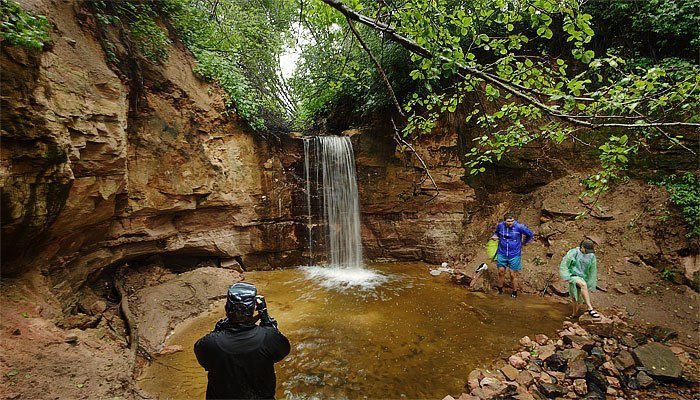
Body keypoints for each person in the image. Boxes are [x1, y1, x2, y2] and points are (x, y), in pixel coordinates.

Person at [194, 282, 290, 399]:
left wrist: (220, 327)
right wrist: (265, 317)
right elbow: (282, 351)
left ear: (226, 309)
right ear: (253, 309)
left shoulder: (211, 343)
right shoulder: (269, 337)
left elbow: (205, 362)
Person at [490, 212, 534, 297]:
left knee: (512, 274)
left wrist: (524, 242)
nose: (510, 223)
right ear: (504, 221)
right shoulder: (500, 225)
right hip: (502, 253)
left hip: (514, 254)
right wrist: (495, 236)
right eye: (508, 221)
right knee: (501, 272)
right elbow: (496, 233)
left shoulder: (519, 227)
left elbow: (530, 234)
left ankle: (514, 292)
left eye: (512, 221)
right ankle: (500, 290)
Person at [559, 239, 601, 319]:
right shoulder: (574, 253)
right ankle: (590, 309)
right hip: (572, 275)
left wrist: (590, 282)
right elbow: (564, 265)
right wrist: (567, 276)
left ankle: (574, 315)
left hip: (583, 277)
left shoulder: (591, 256)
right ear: (582, 247)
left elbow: (592, 270)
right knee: (582, 285)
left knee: (576, 299)